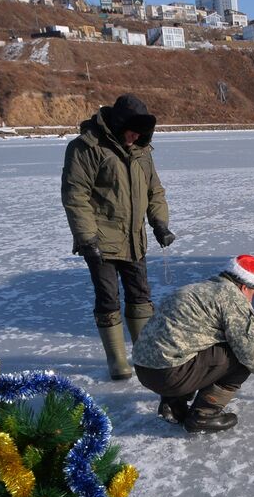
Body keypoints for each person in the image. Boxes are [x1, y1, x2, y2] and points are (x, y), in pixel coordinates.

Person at [61, 93, 176, 380]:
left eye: (140, 134)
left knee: (140, 296)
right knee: (108, 298)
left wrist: (160, 223)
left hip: (134, 239)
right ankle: (117, 361)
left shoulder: (142, 151)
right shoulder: (87, 147)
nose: (134, 137)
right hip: (100, 241)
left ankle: (144, 354)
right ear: (118, 123)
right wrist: (87, 238)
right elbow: (76, 195)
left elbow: (154, 191)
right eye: (131, 131)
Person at [132, 255, 254, 434]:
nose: (251, 300)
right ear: (244, 287)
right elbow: (251, 353)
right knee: (239, 357)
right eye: (253, 294)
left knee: (195, 344)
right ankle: (204, 415)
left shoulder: (197, 289)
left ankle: (172, 405)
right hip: (170, 375)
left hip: (144, 369)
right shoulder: (233, 300)